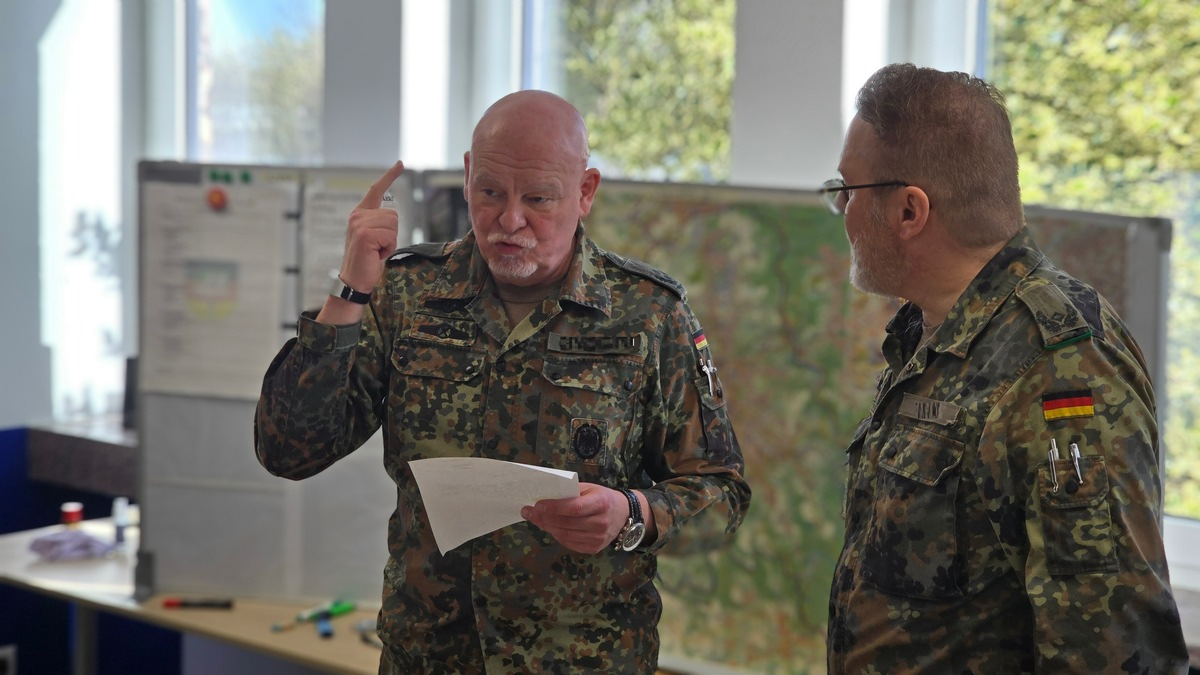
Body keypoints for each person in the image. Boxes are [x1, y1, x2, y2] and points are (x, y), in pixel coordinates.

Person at [254, 89, 750, 673]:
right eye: (490, 192)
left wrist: (632, 514)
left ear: (585, 192)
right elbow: (289, 450)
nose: (509, 220)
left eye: (538, 198)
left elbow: (722, 495)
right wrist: (349, 292)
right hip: (429, 656)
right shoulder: (409, 295)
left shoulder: (649, 314)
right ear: (467, 177)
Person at [821, 63, 1189, 673]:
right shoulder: (933, 333)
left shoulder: (1059, 364)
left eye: (847, 190)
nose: (841, 210)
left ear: (910, 211)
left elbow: (1109, 646)